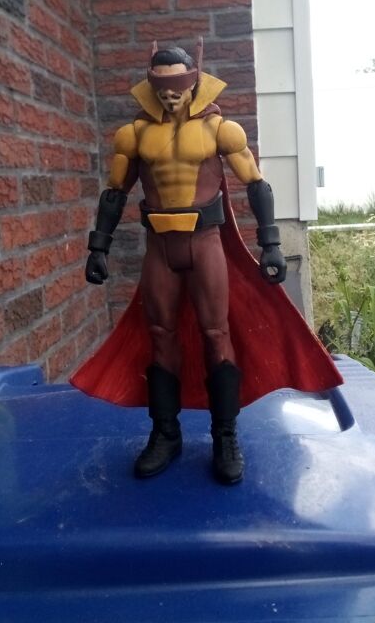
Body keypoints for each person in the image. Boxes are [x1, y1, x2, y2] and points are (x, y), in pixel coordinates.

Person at [71, 39, 343, 485]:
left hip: (205, 242)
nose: (170, 92)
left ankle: (225, 436)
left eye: (178, 82)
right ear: (150, 83)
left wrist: (271, 243)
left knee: (217, 334)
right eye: (161, 83)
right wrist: (98, 246)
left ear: (194, 80)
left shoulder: (221, 130)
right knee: (159, 335)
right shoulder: (134, 134)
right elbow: (115, 193)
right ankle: (165, 434)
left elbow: (255, 183)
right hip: (160, 246)